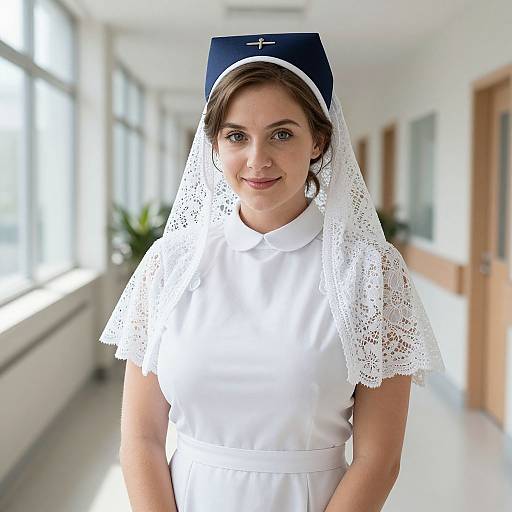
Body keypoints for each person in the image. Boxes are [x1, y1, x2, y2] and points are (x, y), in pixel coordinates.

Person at [99, 32, 446, 512]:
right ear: (215, 145)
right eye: (236, 135)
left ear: (319, 140)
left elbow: (378, 459)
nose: (256, 159)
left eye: (282, 133)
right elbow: (140, 440)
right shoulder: (170, 264)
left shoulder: (369, 273)